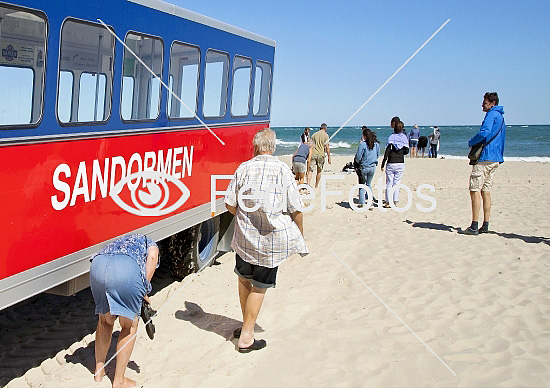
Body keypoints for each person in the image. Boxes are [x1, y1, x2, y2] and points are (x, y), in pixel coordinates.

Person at [224, 128, 308, 352]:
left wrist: (245, 216)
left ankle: (245, 326)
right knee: (260, 286)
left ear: (255, 147)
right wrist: (300, 232)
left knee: (244, 280)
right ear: (273, 148)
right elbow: (295, 207)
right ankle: (247, 338)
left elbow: (230, 204)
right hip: (270, 241)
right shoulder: (282, 170)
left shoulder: (243, 168)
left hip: (244, 240)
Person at [90, 234, 160, 388]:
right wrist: (145, 289)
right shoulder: (149, 241)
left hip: (98, 265)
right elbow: (153, 257)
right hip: (125, 268)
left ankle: (99, 372)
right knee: (129, 326)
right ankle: (119, 381)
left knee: (104, 321)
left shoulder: (121, 239)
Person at [463, 92, 506, 235]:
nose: (482, 104)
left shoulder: (492, 115)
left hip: (485, 157)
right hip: (496, 158)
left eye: (485, 102)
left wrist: (471, 142)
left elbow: (484, 132)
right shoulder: (501, 117)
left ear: (492, 103)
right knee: (486, 190)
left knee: (474, 189)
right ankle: (485, 224)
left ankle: (474, 225)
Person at [380, 120, 409, 208]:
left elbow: (387, 151)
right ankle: (395, 201)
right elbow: (407, 150)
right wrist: (400, 153)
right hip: (400, 162)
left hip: (391, 162)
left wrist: (383, 163)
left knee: (389, 183)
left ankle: (388, 202)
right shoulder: (404, 137)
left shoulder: (391, 137)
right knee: (397, 182)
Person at [354, 127, 380, 207]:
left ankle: (362, 203)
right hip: (372, 166)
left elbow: (358, 156)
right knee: (368, 184)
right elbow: (378, 155)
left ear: (365, 136)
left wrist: (357, 163)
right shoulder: (376, 144)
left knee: (362, 184)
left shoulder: (363, 144)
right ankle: (370, 201)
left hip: (364, 167)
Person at [308, 123, 331, 188]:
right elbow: (327, 147)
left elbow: (310, 145)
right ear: (325, 129)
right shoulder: (326, 135)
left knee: (310, 170)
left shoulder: (314, 135)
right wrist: (329, 157)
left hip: (313, 153)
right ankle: (316, 185)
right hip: (321, 154)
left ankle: (308, 184)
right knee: (319, 171)